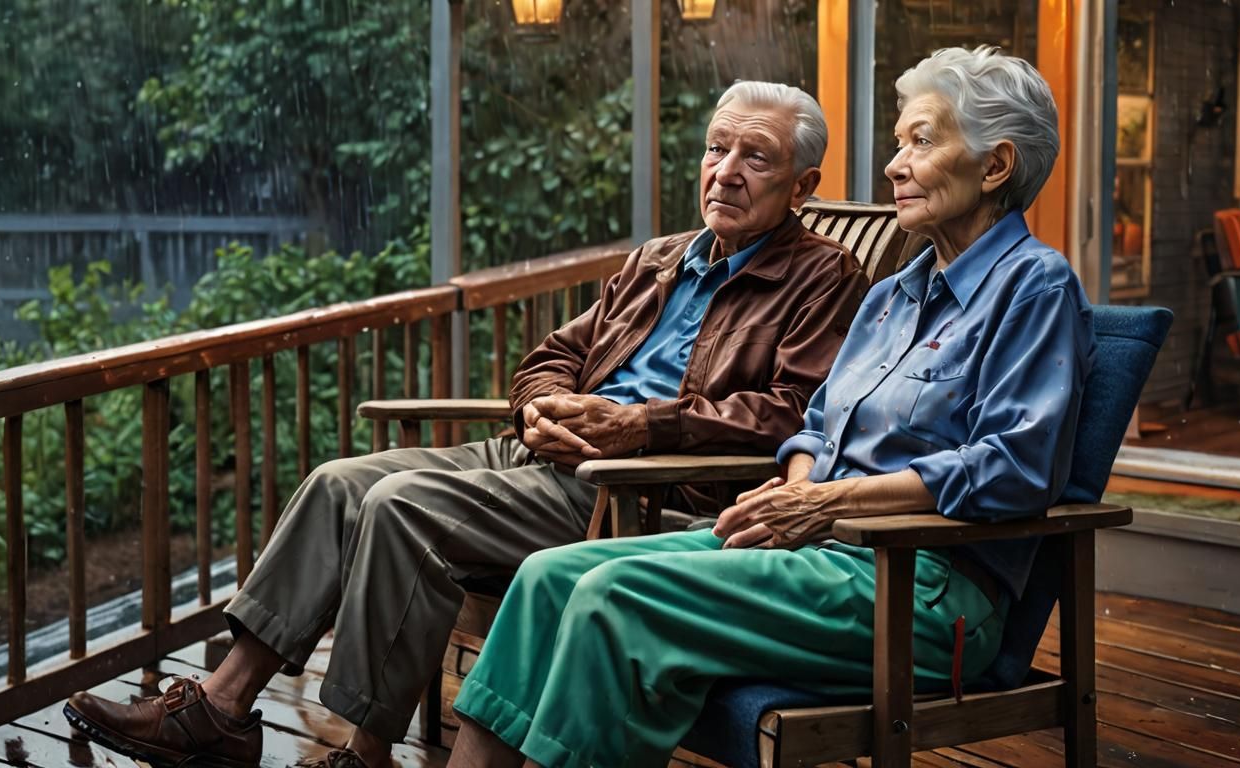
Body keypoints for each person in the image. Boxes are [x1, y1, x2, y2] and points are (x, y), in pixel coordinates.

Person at [61, 80, 868, 768]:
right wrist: (541, 406)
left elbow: (794, 415)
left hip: (640, 488)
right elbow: (552, 354)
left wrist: (640, 427)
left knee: (404, 505)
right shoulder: (660, 259)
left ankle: (361, 751)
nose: (724, 172)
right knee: (339, 482)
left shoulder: (823, 277)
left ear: (803, 187)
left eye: (754, 157)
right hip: (548, 455)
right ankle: (220, 708)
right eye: (716, 149)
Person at [445, 45, 1096, 768]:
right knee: (547, 578)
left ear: (996, 166)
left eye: (921, 140)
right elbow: (815, 426)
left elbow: (1014, 467)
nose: (892, 166)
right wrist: (792, 498)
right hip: (822, 552)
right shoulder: (892, 295)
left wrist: (826, 504)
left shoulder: (1034, 289)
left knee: (613, 595)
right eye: (897, 142)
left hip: (924, 589)